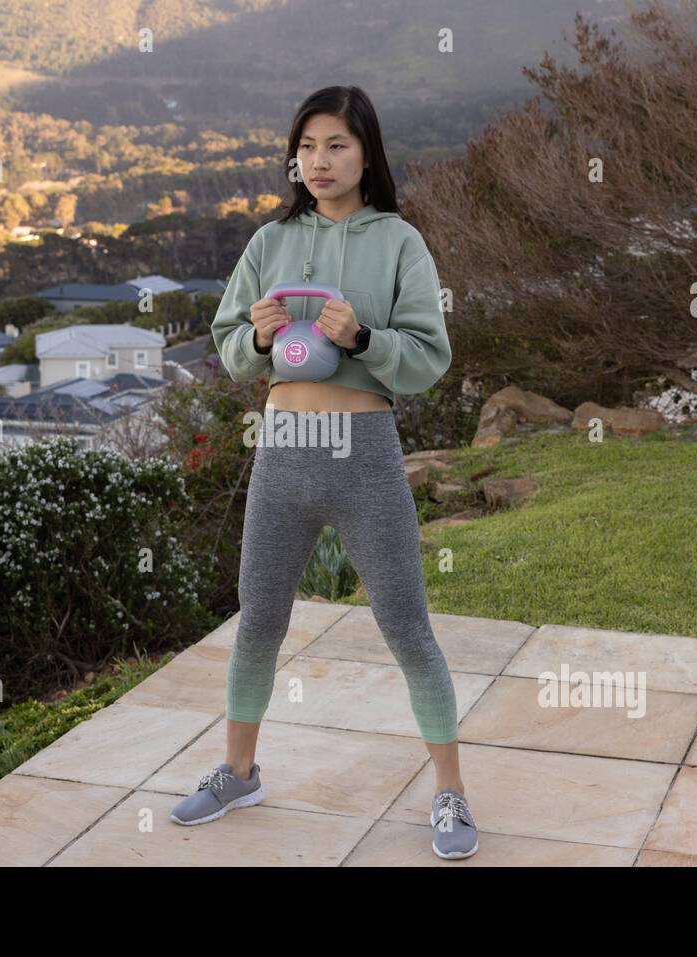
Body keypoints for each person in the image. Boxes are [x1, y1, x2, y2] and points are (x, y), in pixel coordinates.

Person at [172, 86, 477, 860]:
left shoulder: (399, 242)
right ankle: (239, 772)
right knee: (259, 619)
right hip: (283, 450)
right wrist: (259, 338)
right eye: (307, 146)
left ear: (366, 153)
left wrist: (365, 335)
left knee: (406, 625)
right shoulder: (269, 243)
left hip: (363, 452)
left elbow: (427, 358)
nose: (320, 161)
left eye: (336, 144)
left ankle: (450, 792)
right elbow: (229, 341)